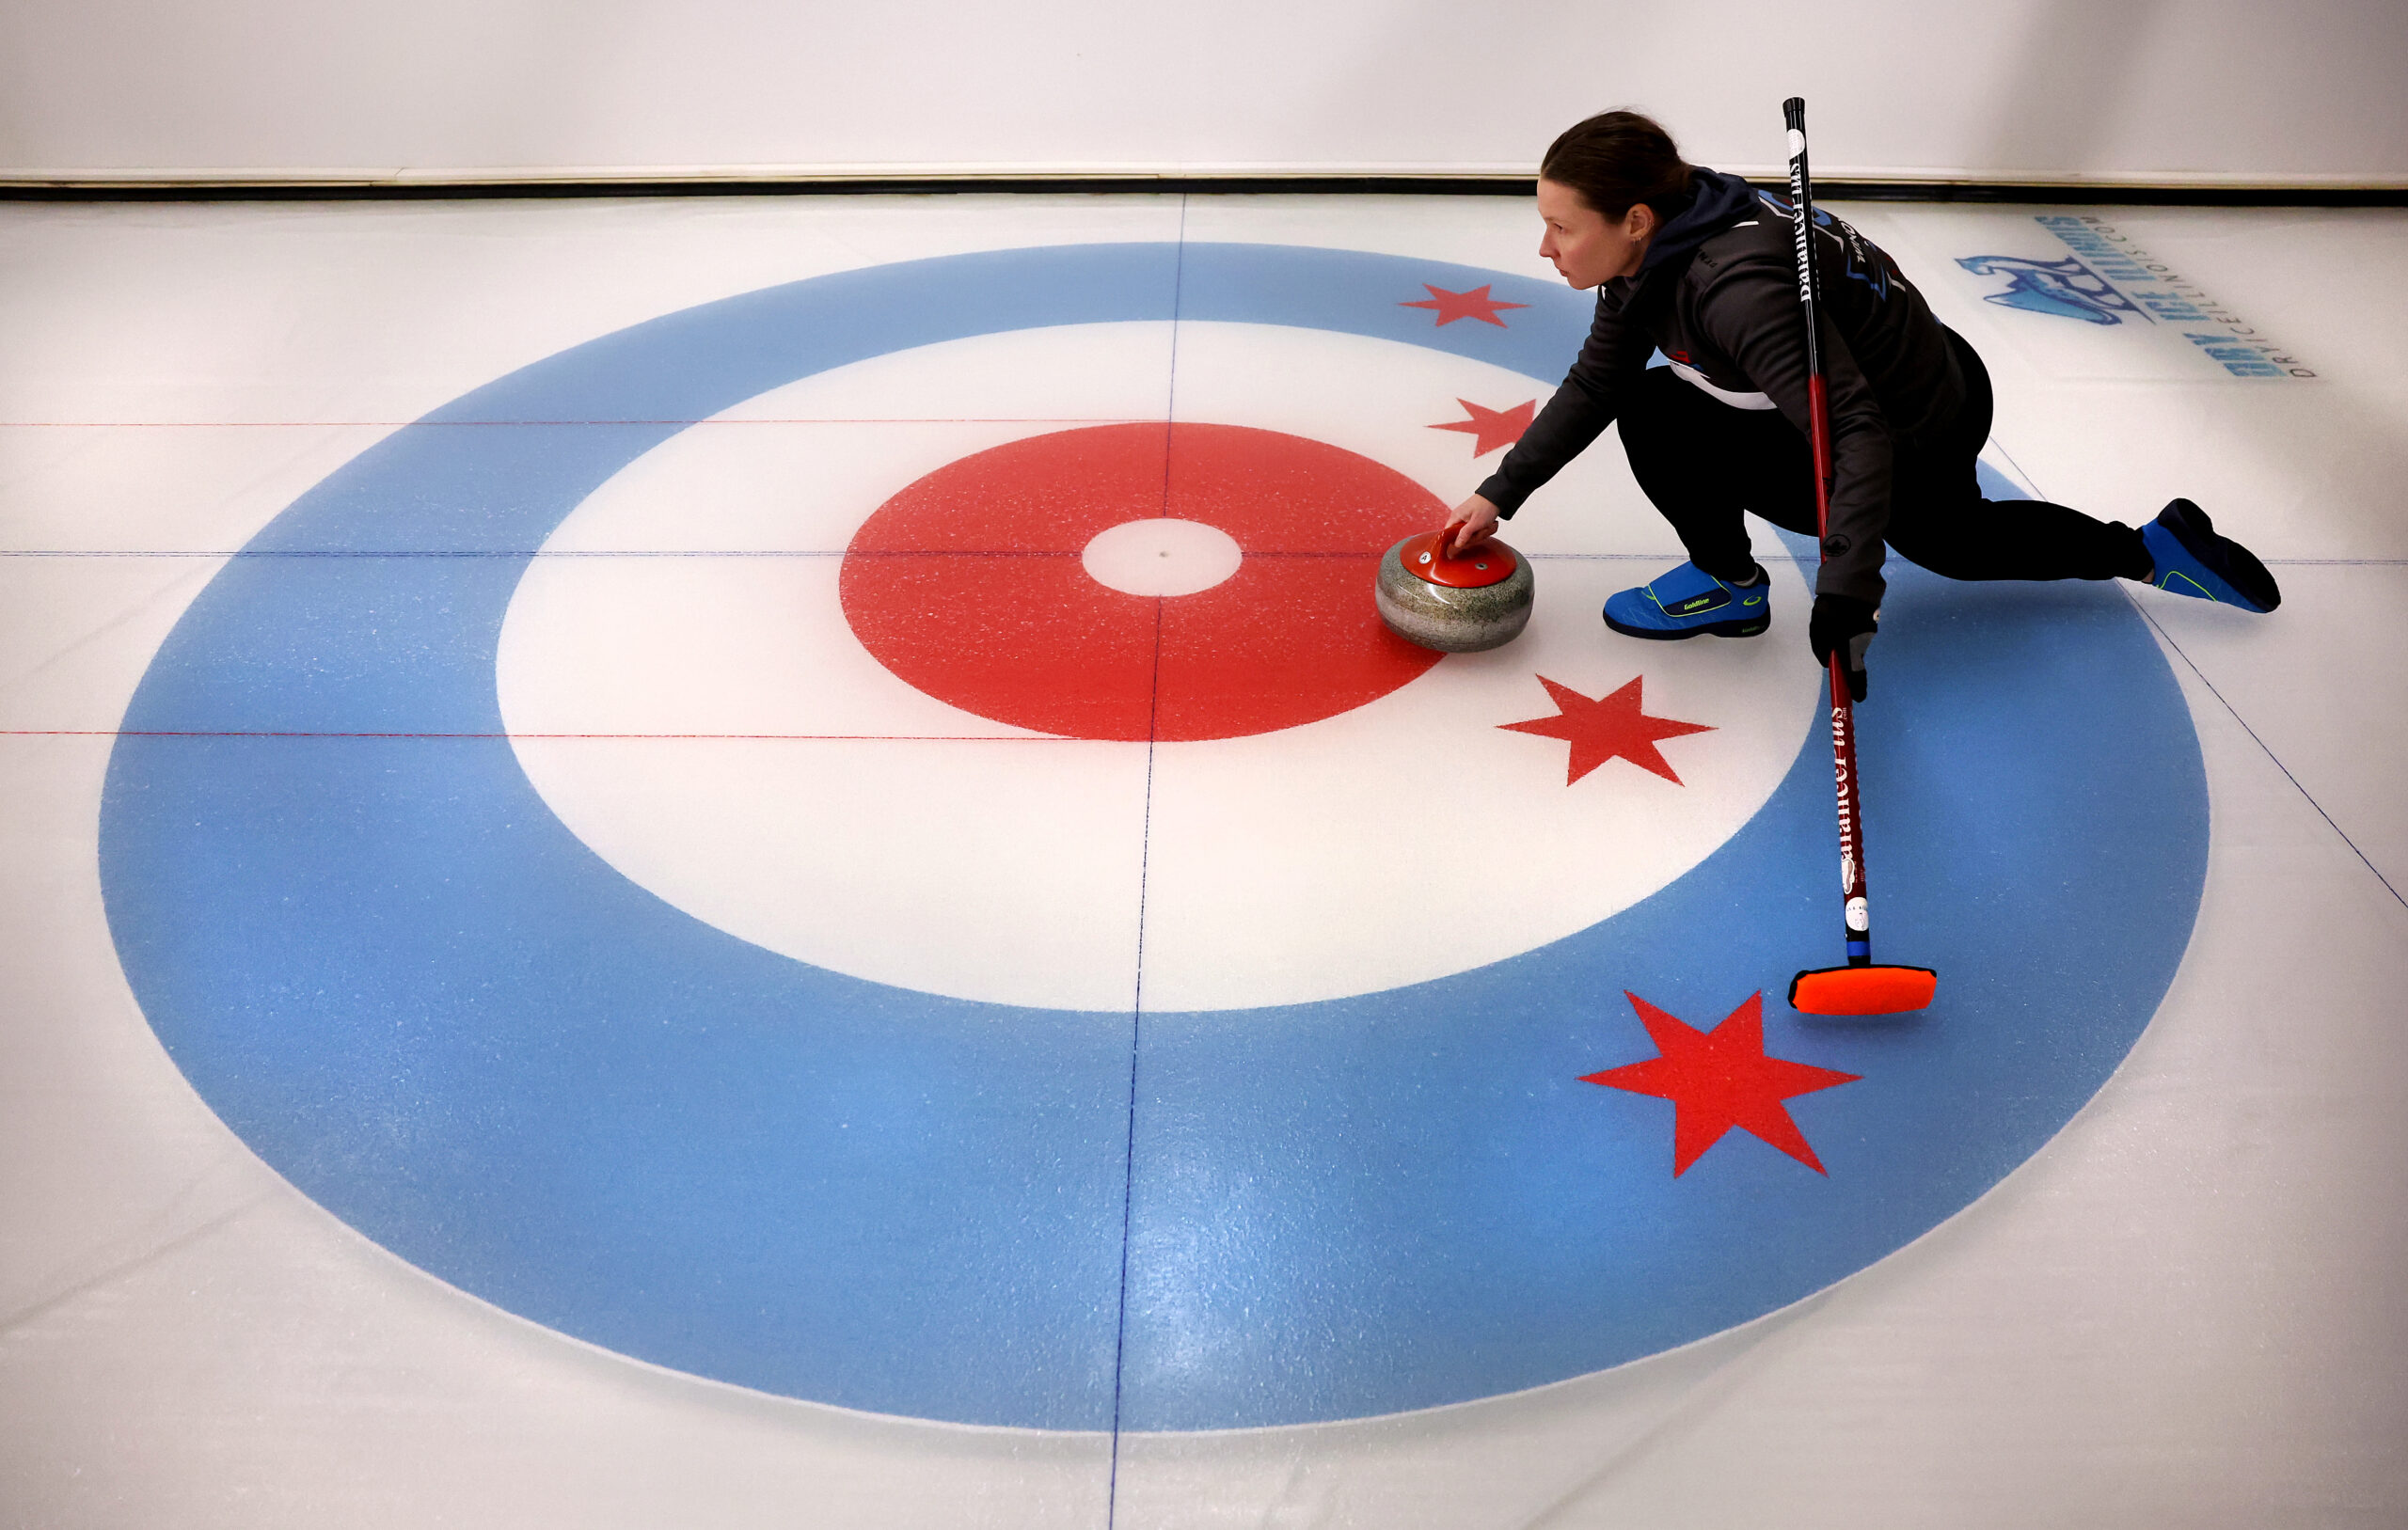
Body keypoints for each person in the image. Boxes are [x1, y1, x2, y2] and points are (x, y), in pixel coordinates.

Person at [1439, 110, 2280, 701]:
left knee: (1952, 542)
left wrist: (1848, 594)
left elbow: (1851, 433)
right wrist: (1499, 495)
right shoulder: (1665, 241)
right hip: (1911, 377)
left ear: (1634, 218)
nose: (1543, 246)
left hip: (1912, 424)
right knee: (1653, 405)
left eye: (1560, 227)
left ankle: (2149, 549)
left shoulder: (1734, 290)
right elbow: (1598, 381)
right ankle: (1729, 580)